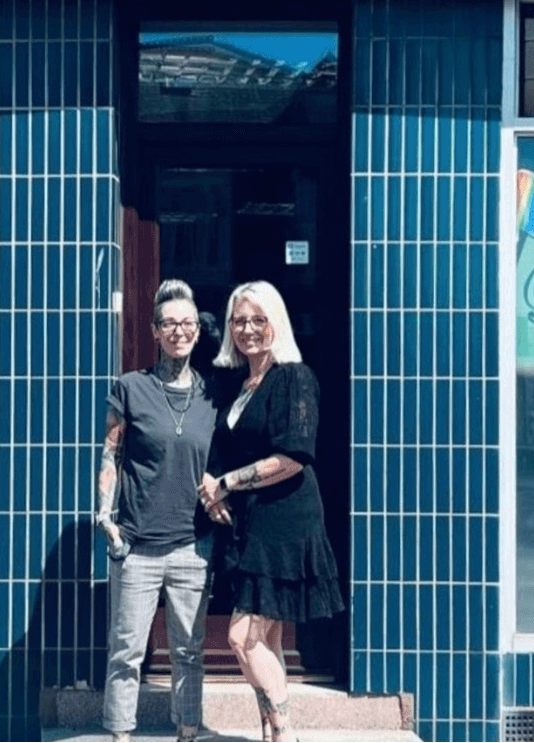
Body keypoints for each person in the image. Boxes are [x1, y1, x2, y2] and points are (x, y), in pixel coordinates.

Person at [198, 280, 344, 742]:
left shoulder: (294, 378)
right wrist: (210, 485)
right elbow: (221, 451)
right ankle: (271, 734)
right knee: (268, 639)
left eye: (258, 319)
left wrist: (225, 484)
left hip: (286, 521)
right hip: (251, 523)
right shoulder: (239, 384)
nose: (248, 329)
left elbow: (293, 456)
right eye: (239, 320)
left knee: (243, 637)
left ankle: (285, 732)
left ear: (276, 322)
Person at [95, 279, 219, 743]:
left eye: (187, 323)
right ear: (154, 331)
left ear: (197, 331)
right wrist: (105, 515)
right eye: (169, 323)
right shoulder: (130, 388)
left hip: (193, 544)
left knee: (188, 651)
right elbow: (111, 453)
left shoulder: (211, 397)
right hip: (136, 543)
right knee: (126, 651)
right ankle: (121, 736)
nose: (179, 331)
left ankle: (188, 732)